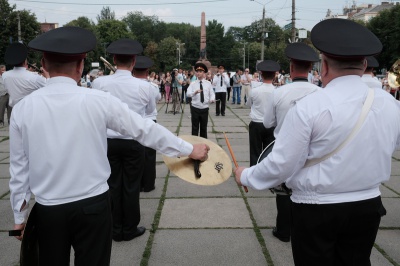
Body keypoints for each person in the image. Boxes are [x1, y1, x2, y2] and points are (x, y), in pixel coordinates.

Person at [10, 26, 209, 266]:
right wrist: (189, 149)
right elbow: (144, 129)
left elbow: (19, 168)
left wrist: (18, 217)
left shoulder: (23, 108)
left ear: (43, 63)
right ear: (81, 65)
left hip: (49, 209)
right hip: (93, 205)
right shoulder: (97, 101)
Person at [235, 19, 398, 265]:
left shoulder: (311, 106)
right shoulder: (390, 103)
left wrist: (245, 175)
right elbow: (391, 145)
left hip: (318, 208)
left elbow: (283, 164)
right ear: (364, 63)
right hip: (368, 204)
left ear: (323, 66)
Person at [91, 39, 155, 242]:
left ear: (114, 59)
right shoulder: (146, 87)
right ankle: (129, 228)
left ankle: (113, 227)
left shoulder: (99, 83)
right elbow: (149, 113)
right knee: (131, 187)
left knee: (111, 185)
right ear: (134, 61)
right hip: (133, 141)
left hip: (108, 141)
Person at [263, 42, 320, 243]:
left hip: (285, 147)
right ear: (311, 69)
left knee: (284, 191)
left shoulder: (279, 92)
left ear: (291, 68)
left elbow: (268, 122)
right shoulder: (320, 92)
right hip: (313, 150)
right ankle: (304, 230)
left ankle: (284, 230)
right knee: (308, 189)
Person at [132, 56, 161, 192]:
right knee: (149, 155)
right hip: (150, 121)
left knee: (136, 156)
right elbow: (158, 98)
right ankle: (148, 184)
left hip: (134, 122)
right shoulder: (152, 86)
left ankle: (137, 184)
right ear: (147, 71)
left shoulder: (129, 84)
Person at [246, 60, 279, 167]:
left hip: (256, 123)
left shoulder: (254, 91)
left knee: (255, 151)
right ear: (274, 75)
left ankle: (253, 174)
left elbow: (248, 104)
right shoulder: (277, 91)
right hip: (271, 124)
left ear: (261, 75)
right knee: (268, 152)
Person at [2, 43, 48, 109]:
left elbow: (21, 76)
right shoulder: (35, 78)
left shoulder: (5, 75)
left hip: (15, 110)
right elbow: (50, 86)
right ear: (25, 61)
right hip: (30, 110)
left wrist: (29, 71)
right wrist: (46, 74)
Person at [187, 62, 215, 138]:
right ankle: (194, 144)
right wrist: (194, 92)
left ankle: (204, 144)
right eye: (197, 71)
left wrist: (212, 99)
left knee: (204, 128)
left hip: (204, 108)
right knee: (195, 128)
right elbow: (188, 94)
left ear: (204, 73)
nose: (198, 73)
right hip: (195, 108)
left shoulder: (208, 83)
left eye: (200, 72)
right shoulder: (193, 84)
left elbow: (212, 93)